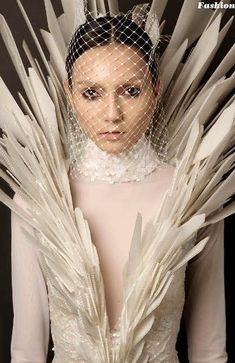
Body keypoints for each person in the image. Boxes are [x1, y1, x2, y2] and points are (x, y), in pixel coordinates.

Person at [0, 1, 234, 362]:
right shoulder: (37, 199)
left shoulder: (193, 195)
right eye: (92, 92)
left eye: (130, 90)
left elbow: (209, 349)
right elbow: (26, 349)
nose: (112, 113)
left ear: (155, 90)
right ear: (69, 94)